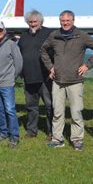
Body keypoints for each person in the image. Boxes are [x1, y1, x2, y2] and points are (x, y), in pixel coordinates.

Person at [40, 10, 93, 151]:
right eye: (63, 20)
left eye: (68, 20)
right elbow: (43, 50)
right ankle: (57, 139)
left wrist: (87, 65)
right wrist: (50, 67)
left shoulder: (81, 36)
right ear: (60, 21)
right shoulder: (54, 35)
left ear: (73, 21)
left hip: (75, 81)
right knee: (58, 112)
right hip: (57, 81)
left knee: (76, 112)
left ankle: (77, 140)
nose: (65, 23)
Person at [18, 9, 54, 141]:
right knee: (31, 107)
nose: (32, 24)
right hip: (28, 77)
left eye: (35, 22)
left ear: (41, 21)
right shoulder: (24, 35)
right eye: (30, 22)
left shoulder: (49, 33)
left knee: (50, 106)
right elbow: (19, 54)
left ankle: (52, 132)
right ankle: (32, 130)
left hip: (45, 77)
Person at [0, 21, 23, 147]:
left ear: (4, 31)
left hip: (7, 83)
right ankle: (3, 132)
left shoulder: (12, 44)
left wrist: (12, 77)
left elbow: (18, 63)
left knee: (10, 110)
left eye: (0, 30)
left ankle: (14, 135)